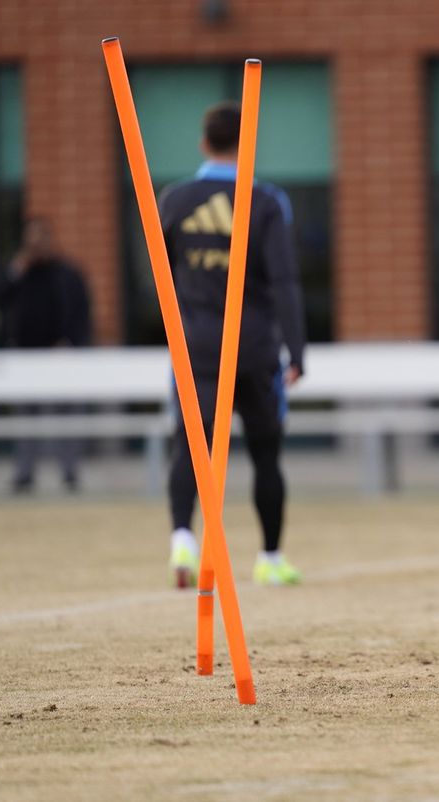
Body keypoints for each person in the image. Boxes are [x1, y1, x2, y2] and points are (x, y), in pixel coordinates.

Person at [158, 101, 307, 588]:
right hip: (254, 344)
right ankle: (269, 556)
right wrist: (297, 350)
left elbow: (157, 274)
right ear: (245, 146)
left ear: (204, 143)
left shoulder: (175, 199)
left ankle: (182, 535)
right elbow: (284, 280)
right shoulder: (264, 201)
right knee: (266, 454)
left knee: (190, 446)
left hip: (195, 344)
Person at [0, 218, 92, 493]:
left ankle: (69, 472)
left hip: (59, 355)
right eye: (31, 240)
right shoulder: (19, 272)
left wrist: (70, 342)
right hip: (24, 356)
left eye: (40, 239)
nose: (36, 246)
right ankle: (25, 472)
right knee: (26, 417)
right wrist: (16, 270)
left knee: (66, 415)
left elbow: (80, 312)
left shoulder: (65, 273)